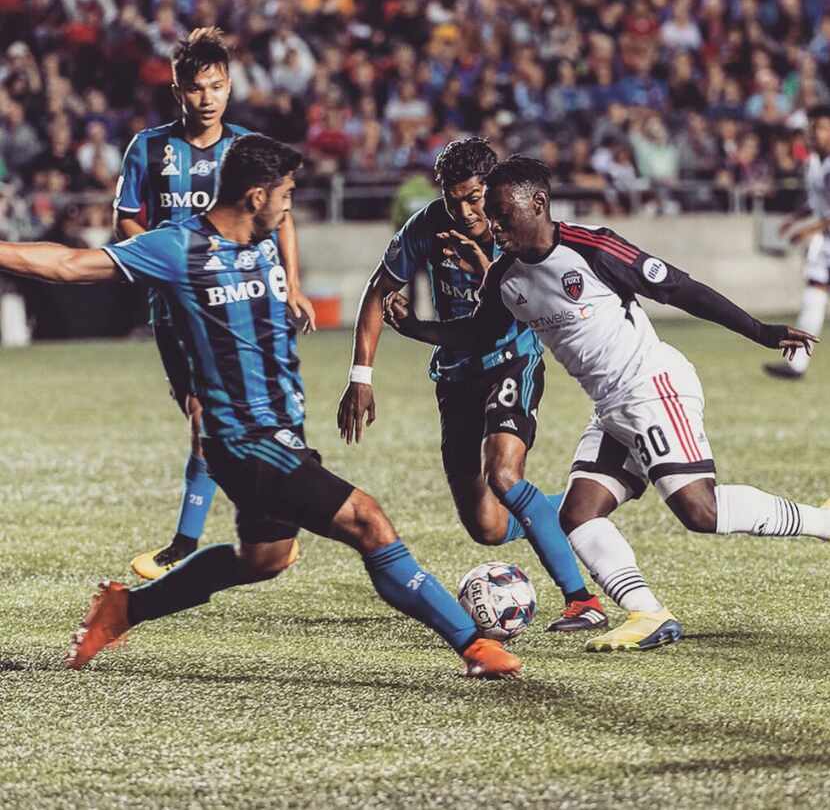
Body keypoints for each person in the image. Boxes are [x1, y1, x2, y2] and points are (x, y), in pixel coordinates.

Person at [0, 134, 520, 679]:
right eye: (286, 196)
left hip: (281, 431)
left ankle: (125, 608)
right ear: (254, 196)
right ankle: (473, 646)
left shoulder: (263, 242)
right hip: (243, 439)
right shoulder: (180, 248)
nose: (289, 207)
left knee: (263, 559)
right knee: (368, 521)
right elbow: (68, 265)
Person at [383, 155, 828, 652]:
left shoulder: (591, 246)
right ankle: (646, 613)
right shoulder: (504, 276)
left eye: (504, 215)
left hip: (651, 386)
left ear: (539, 203)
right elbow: (476, 333)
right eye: (493, 215)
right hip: (610, 408)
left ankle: (822, 523)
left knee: (699, 511)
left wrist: (762, 332)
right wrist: (414, 328)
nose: (496, 226)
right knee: (578, 514)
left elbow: (680, 288)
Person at [337, 138, 607, 634]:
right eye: (453, 199)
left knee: (503, 475)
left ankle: (581, 600)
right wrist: (361, 375)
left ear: (492, 187)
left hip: (511, 358)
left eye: (474, 197)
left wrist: (484, 269)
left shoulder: (515, 227)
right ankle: (581, 500)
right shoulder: (427, 226)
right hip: (456, 371)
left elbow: (520, 303)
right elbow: (378, 292)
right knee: (486, 526)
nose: (464, 211)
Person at [113, 28, 316, 580]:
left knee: (222, 415)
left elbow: (285, 216)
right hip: (179, 307)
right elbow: (127, 218)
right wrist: (159, 258)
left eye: (217, 86)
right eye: (196, 88)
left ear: (230, 88)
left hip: (243, 301)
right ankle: (277, 526)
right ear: (178, 91)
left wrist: (292, 286)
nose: (207, 98)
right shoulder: (149, 149)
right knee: (211, 417)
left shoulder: (248, 149)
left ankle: (185, 543)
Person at [765, 104, 830, 379]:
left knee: (815, 291)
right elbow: (819, 203)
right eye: (812, 129)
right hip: (826, 239)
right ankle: (797, 364)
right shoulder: (815, 162)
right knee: (814, 292)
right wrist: (796, 218)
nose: (815, 134)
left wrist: (807, 230)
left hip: (824, 235)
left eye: (822, 128)